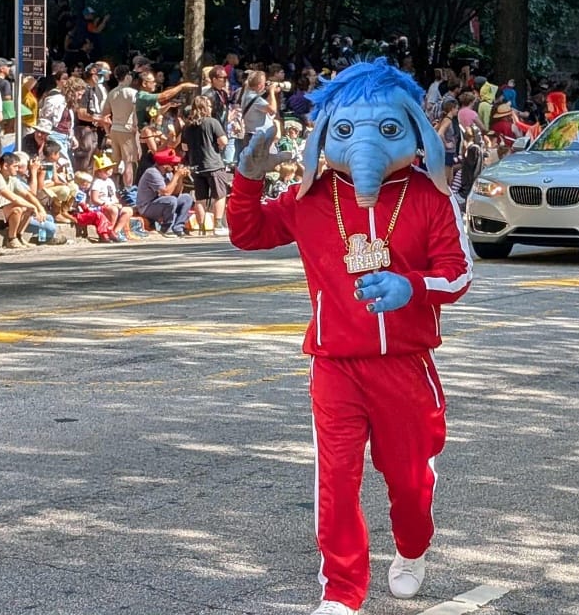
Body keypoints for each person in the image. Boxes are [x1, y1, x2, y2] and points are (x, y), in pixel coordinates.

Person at [227, 59, 472, 615]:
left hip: (406, 367)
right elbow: (247, 232)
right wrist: (248, 178)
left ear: (412, 130)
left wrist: (412, 287)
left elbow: (457, 273)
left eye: (387, 130)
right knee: (336, 481)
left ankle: (412, 548)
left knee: (409, 486)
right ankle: (341, 593)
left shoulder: (432, 197)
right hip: (335, 364)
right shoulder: (310, 198)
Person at [181, 96, 230, 236]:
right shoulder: (212, 122)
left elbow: (184, 147)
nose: (211, 108)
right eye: (208, 105)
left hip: (196, 165)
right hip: (213, 164)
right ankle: (218, 225)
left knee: (200, 198)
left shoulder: (188, 126)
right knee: (220, 195)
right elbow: (223, 141)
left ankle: (201, 227)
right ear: (204, 107)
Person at [135, 148, 195, 236]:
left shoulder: (168, 173)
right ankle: (167, 227)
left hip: (161, 202)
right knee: (171, 200)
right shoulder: (152, 172)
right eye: (173, 164)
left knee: (187, 198)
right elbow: (166, 193)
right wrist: (176, 176)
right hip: (147, 207)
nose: (175, 166)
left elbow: (176, 193)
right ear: (164, 165)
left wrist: (180, 178)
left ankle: (178, 227)